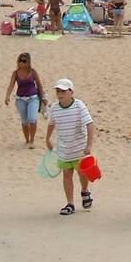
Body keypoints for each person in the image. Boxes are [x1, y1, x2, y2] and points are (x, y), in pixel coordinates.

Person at [45, 78, 95, 216]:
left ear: (71, 92)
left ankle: (85, 191)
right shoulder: (54, 108)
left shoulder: (79, 106)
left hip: (79, 148)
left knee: (82, 173)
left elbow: (89, 124)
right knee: (67, 175)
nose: (60, 94)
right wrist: (47, 139)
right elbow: (51, 124)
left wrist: (89, 145)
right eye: (58, 91)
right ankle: (70, 203)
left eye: (63, 91)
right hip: (64, 149)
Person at [5, 52, 46, 148]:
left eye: (23, 61)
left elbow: (39, 85)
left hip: (33, 98)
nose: (21, 63)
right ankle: (27, 140)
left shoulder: (33, 72)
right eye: (20, 60)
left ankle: (32, 140)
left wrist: (43, 98)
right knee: (24, 121)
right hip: (20, 99)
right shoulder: (15, 73)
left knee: (32, 118)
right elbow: (11, 85)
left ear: (28, 62)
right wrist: (7, 96)